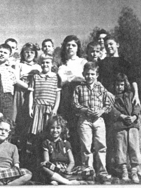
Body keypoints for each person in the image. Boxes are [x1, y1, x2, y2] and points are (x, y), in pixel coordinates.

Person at [98, 35, 141, 176]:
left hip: (126, 101)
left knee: (132, 134)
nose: (109, 47)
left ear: (117, 45)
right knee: (115, 134)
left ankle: (136, 166)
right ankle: (116, 165)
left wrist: (136, 95)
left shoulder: (125, 61)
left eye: (111, 44)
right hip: (111, 100)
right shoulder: (103, 63)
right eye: (107, 45)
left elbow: (133, 79)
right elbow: (101, 82)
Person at [72, 61, 112, 184]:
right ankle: (88, 171)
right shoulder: (79, 88)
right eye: (87, 74)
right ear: (83, 74)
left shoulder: (101, 87)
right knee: (86, 146)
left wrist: (101, 111)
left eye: (92, 74)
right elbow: (74, 104)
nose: (90, 76)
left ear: (97, 75)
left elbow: (108, 103)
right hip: (84, 120)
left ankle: (102, 172)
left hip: (98, 119)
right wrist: (84, 110)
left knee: (100, 145)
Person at [58, 35, 87, 164]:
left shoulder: (83, 62)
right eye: (68, 45)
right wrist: (74, 77)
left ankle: (83, 162)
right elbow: (62, 81)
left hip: (81, 96)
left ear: (77, 47)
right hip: (66, 97)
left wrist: (72, 77)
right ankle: (70, 160)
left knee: (81, 127)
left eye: (73, 45)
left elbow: (85, 78)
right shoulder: (62, 64)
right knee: (68, 127)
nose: (70, 47)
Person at [111, 73, 141, 183]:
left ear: (125, 85)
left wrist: (134, 116)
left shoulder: (131, 94)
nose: (119, 87)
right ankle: (124, 169)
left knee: (134, 147)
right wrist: (122, 116)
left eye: (121, 85)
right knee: (121, 148)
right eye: (117, 85)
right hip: (120, 125)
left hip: (132, 124)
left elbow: (137, 105)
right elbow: (111, 109)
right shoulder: (112, 97)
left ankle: (134, 170)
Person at [40, 116, 83, 185]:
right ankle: (67, 182)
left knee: (85, 169)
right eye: (52, 128)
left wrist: (67, 170)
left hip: (65, 171)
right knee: (43, 166)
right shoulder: (46, 143)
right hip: (53, 170)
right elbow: (46, 161)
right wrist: (56, 169)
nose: (55, 130)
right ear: (49, 129)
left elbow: (72, 162)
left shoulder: (66, 144)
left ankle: (60, 180)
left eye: (58, 128)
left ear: (62, 129)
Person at [0, 43, 18, 120]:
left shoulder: (11, 70)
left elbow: (15, 82)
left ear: (9, 56)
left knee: (7, 121)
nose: (2, 54)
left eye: (5, 53)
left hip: (8, 97)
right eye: (0, 52)